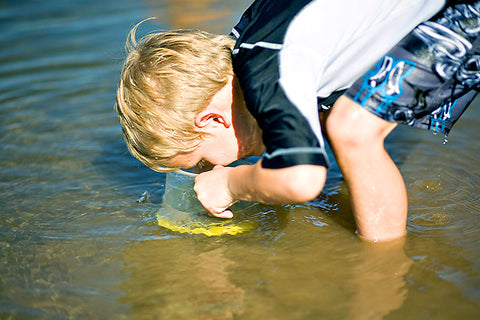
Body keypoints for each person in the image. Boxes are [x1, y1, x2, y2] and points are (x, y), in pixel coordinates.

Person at [115, 0, 480, 242]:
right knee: (334, 119)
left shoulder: (266, 71)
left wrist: (231, 183)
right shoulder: (249, 48)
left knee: (352, 130)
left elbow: (303, 180)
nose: (210, 167)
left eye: (202, 161)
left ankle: (383, 273)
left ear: (211, 119)